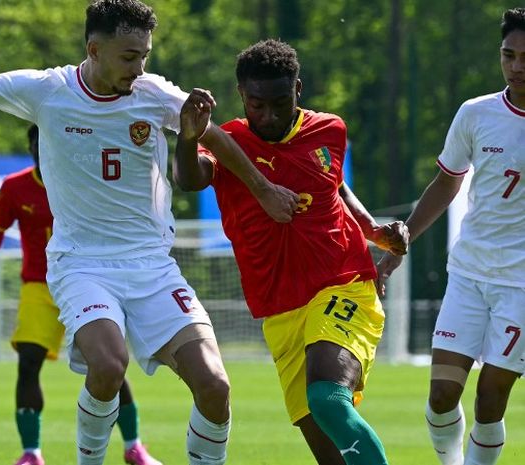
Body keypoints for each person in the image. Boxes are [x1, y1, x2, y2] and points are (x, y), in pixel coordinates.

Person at [0, 1, 300, 464]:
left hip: (153, 265)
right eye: (129, 57)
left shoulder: (154, 94)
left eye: (146, 56)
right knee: (109, 365)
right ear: (94, 50)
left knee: (216, 386)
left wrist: (263, 190)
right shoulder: (45, 90)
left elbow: (215, 138)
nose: (139, 67)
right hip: (82, 263)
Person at [174, 39, 409, 465]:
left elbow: (333, 185)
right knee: (329, 450)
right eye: (256, 104)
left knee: (328, 397)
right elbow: (190, 180)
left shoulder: (330, 130)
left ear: (297, 90)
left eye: (279, 102)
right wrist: (188, 139)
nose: (268, 115)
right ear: (242, 96)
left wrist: (371, 229)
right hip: (279, 309)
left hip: (344, 282)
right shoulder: (227, 142)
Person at [376, 8, 525, 465]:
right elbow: (447, 181)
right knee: (442, 393)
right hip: (469, 272)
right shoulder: (475, 113)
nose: (517, 66)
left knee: (490, 398)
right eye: (508, 55)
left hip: (521, 285)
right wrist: (406, 237)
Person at [0, 124, 162, 465]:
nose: (42, 149)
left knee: (108, 365)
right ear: (30, 147)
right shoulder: (14, 188)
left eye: (48, 141)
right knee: (27, 364)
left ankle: (134, 447)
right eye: (35, 143)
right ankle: (31, 453)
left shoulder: (83, 182)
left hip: (86, 283)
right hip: (38, 288)